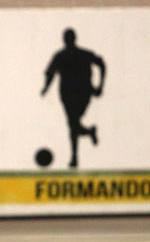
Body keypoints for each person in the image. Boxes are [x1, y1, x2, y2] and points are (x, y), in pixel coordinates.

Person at [41, 28, 105, 168]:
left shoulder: (83, 54)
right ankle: (79, 150)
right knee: (73, 124)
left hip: (83, 93)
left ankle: (77, 154)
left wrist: (100, 86)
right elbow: (50, 73)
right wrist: (46, 88)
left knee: (73, 124)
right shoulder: (60, 56)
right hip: (67, 95)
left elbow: (101, 63)